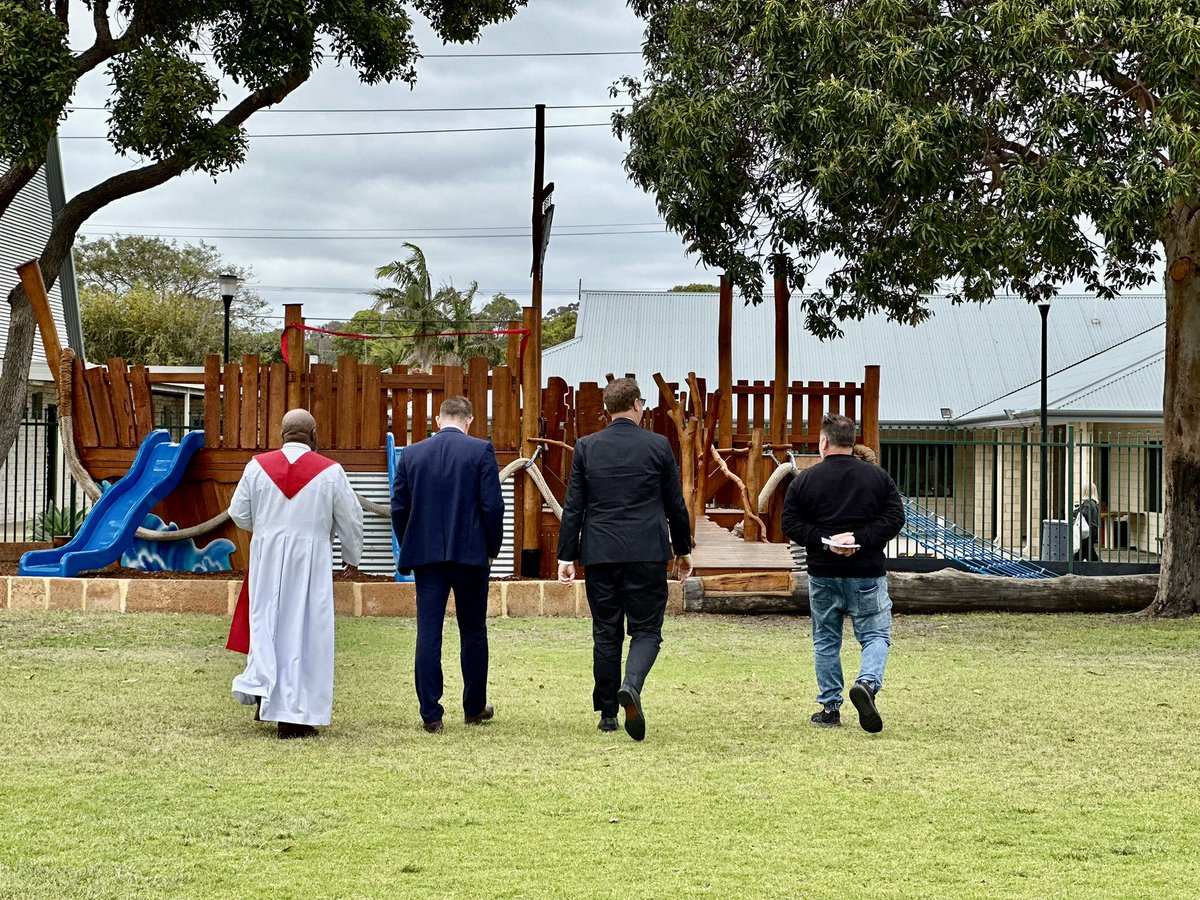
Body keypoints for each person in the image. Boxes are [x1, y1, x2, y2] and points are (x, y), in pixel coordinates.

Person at [556, 377, 693, 742]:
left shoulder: (586, 446)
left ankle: (607, 714)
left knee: (606, 631)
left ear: (607, 408)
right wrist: (683, 549)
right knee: (646, 629)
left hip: (600, 552)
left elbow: (574, 505)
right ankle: (631, 685)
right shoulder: (658, 445)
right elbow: (675, 504)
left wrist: (566, 555)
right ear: (636, 405)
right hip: (647, 551)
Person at [229, 408, 363, 739]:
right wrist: (351, 556)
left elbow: (238, 513)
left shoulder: (257, 467)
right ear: (314, 437)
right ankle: (294, 715)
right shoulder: (331, 471)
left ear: (282, 435)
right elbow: (350, 519)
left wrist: (266, 529)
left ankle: (265, 693)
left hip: (267, 558)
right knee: (305, 632)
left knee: (267, 626)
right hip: (310, 560)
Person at [781, 414, 905, 733]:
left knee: (826, 639)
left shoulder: (805, 480)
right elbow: (895, 519)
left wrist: (826, 541)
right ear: (852, 442)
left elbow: (790, 524)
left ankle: (829, 708)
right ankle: (867, 683)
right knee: (875, 634)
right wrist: (859, 538)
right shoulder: (878, 478)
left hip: (823, 572)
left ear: (824, 442)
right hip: (866, 572)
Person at [391, 396, 505, 734]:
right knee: (473, 631)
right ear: (469, 421)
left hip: (427, 557)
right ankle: (474, 707)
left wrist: (410, 542)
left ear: (438, 420)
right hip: (470, 555)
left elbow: (399, 507)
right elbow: (493, 507)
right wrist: (491, 549)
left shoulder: (412, 454)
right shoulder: (480, 451)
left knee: (428, 632)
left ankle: (431, 713)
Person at [1073, 483, 1101, 561]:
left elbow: (1083, 515)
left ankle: (1072, 566)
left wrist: (1076, 511)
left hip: (1087, 533)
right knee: (1087, 554)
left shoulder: (1088, 503)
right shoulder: (1093, 503)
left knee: (1084, 554)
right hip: (1091, 531)